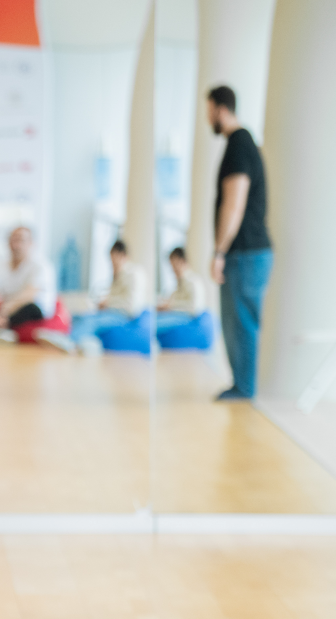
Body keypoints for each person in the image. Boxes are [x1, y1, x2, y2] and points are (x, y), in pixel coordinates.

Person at [207, 84, 273, 401]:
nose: (208, 118)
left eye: (209, 111)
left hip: (245, 252)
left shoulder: (239, 145)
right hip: (248, 252)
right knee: (236, 322)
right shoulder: (242, 143)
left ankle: (244, 389)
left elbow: (234, 203)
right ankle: (241, 386)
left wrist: (219, 251)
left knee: (242, 322)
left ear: (220, 109)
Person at [38, 240, 149, 354]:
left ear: (122, 256)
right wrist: (103, 303)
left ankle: (70, 343)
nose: (112, 264)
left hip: (125, 316)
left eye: (113, 260)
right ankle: (61, 336)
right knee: (77, 317)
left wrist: (108, 303)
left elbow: (132, 306)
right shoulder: (117, 275)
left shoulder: (135, 274)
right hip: (110, 311)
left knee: (90, 321)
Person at [0, 226, 56, 345]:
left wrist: (5, 311)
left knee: (30, 308)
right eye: (13, 240)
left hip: (28, 309)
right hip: (4, 310)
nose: (16, 245)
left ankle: (1, 329)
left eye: (21, 240)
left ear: (31, 243)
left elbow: (29, 295)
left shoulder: (41, 266)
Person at [157, 246, 212, 339]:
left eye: (174, 264)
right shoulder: (180, 283)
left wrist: (170, 306)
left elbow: (194, 308)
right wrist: (165, 306)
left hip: (189, 319)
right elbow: (173, 300)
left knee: (155, 324)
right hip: (177, 315)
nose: (172, 269)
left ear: (182, 262)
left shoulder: (193, 281)